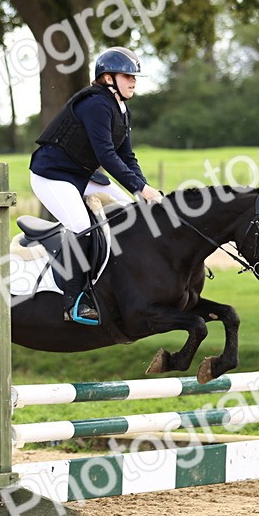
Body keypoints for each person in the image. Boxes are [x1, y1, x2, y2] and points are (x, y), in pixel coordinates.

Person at [29, 46, 163, 324]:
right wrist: (140, 188)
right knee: (81, 226)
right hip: (52, 175)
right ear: (108, 78)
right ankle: (74, 301)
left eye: (134, 77)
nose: (133, 82)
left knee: (129, 211)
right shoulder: (96, 104)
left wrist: (142, 188)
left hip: (82, 175)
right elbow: (107, 156)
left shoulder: (121, 109)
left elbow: (127, 156)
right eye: (127, 76)